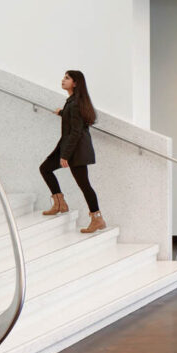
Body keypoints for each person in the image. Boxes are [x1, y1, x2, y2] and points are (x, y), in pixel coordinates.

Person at [40, 70, 104, 234]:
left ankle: (97, 218)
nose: (63, 80)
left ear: (75, 83)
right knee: (45, 168)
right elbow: (75, 122)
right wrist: (62, 113)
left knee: (84, 185)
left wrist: (65, 155)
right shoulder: (74, 101)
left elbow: (76, 131)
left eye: (67, 78)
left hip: (76, 150)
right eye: (64, 77)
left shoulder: (75, 103)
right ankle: (60, 203)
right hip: (72, 147)